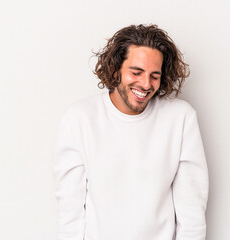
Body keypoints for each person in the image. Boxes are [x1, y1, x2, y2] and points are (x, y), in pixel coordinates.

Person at [53, 24, 209, 240]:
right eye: (137, 72)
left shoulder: (181, 118)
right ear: (116, 69)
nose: (146, 84)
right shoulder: (80, 118)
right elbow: (70, 214)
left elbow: (192, 213)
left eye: (154, 75)